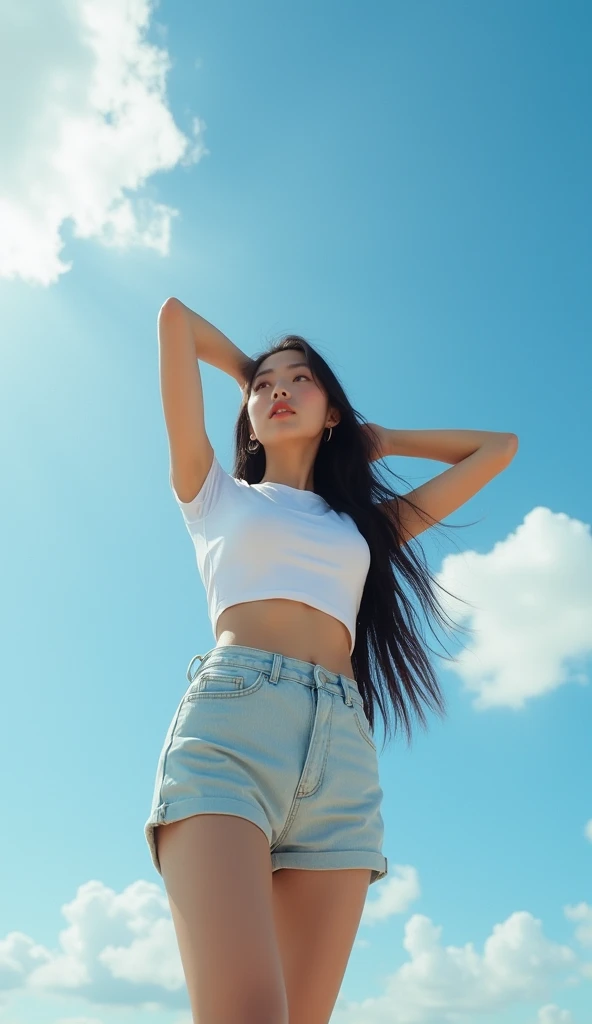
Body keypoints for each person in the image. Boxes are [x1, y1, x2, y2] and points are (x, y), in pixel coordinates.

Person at [144, 296, 518, 1024]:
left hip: (343, 753)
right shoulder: (213, 493)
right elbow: (175, 320)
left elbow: (497, 447)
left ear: (335, 411)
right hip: (232, 732)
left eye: (300, 379)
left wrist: (381, 438)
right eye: (264, 386)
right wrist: (248, 371)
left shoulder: (366, 527)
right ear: (247, 411)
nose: (277, 389)